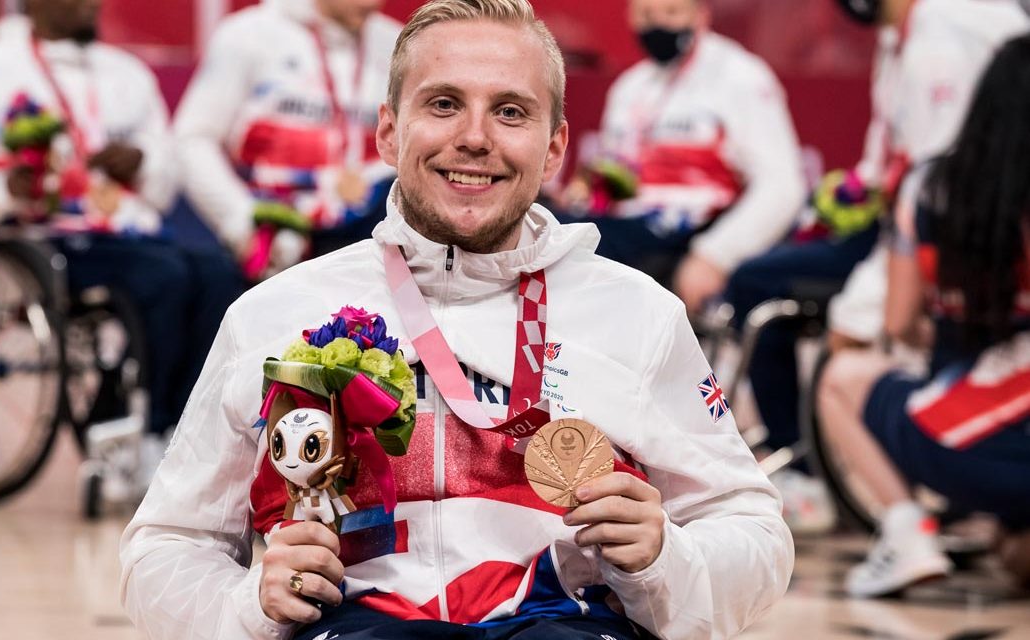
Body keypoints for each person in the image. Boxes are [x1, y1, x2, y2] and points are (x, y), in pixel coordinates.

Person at [120, 1, 793, 638]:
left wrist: (664, 558)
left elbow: (753, 533)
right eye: (444, 104)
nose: (475, 138)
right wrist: (248, 608)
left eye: (510, 111)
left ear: (555, 147)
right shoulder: (275, 314)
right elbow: (169, 546)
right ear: (389, 130)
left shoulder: (637, 314)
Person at [0, 0, 244, 488]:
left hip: (123, 232)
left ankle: (178, 428)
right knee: (163, 277)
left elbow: (164, 181)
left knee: (218, 272)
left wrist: (141, 164)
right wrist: (2, 190)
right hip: (38, 238)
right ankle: (143, 432)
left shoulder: (128, 75)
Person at [720, 0, 1030, 533]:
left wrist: (860, 319)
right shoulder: (905, 37)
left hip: (965, 247)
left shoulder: (949, 35)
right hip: (950, 238)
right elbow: (896, 170)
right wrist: (849, 196)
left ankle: (889, 515)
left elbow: (934, 190)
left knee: (838, 352)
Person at [817, 33, 1030, 598]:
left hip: (964, 442)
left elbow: (898, 320)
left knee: (841, 378)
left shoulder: (929, 188)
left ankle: (909, 536)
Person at [561, 0, 804, 315]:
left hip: (687, 231)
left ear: (701, 16)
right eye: (647, 15)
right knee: (549, 225)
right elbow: (614, 177)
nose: (659, 25)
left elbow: (782, 187)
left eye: (672, 13)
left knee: (567, 245)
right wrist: (584, 194)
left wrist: (714, 255)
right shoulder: (629, 88)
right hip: (628, 226)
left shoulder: (741, 77)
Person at [175, 0, 402, 280]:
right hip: (274, 230)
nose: (372, 3)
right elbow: (192, 138)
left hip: (368, 228)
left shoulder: (398, 43)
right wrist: (241, 219)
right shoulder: (248, 34)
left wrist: (373, 179)